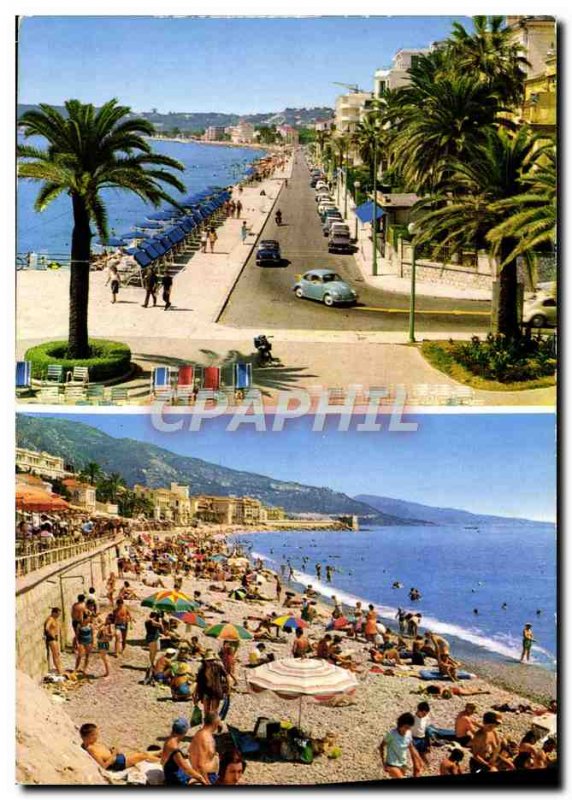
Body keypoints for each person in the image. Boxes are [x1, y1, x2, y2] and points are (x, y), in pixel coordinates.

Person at [81, 723, 160, 772]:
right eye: (95, 735)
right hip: (119, 763)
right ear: (89, 736)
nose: (97, 736)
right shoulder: (91, 749)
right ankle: (163, 761)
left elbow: (104, 753)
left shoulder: (93, 744)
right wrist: (114, 754)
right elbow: (103, 766)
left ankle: (161, 752)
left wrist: (112, 750)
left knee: (143, 753)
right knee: (144, 756)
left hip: (118, 758)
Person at [162, 718, 209, 786]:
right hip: (174, 779)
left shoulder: (168, 740)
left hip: (170, 772)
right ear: (184, 733)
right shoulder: (175, 749)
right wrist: (200, 778)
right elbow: (186, 769)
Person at [379, 712, 424, 779]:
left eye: (408, 728)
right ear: (400, 724)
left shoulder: (408, 733)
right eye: (405, 727)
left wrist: (420, 761)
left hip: (403, 765)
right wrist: (383, 763)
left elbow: (412, 748)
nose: (406, 730)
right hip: (392, 764)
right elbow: (381, 746)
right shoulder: (391, 734)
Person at [188, 712, 221, 784]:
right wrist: (206, 781)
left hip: (207, 775)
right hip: (206, 776)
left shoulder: (200, 733)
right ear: (216, 723)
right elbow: (200, 764)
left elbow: (190, 751)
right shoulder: (205, 738)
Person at [194, 650, 229, 716]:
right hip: (205, 691)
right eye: (209, 660)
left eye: (212, 660)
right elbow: (198, 682)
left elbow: (227, 676)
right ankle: (207, 723)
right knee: (206, 711)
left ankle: (213, 724)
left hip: (216, 690)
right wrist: (195, 694)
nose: (210, 662)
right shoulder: (202, 670)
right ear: (205, 661)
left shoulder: (218, 667)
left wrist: (228, 688)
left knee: (214, 711)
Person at [43, 607, 63, 675]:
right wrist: (51, 635)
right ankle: (59, 671)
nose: (58, 616)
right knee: (55, 655)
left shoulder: (54, 619)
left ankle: (60, 669)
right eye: (58, 614)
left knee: (57, 654)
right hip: (52, 639)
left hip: (55, 639)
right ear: (54, 613)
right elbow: (47, 628)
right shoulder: (50, 619)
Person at [96, 613, 115, 678]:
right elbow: (97, 628)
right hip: (101, 642)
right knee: (103, 658)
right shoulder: (105, 624)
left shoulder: (110, 626)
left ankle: (108, 673)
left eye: (107, 618)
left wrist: (106, 634)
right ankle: (107, 672)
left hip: (103, 642)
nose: (106, 619)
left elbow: (112, 635)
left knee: (105, 658)